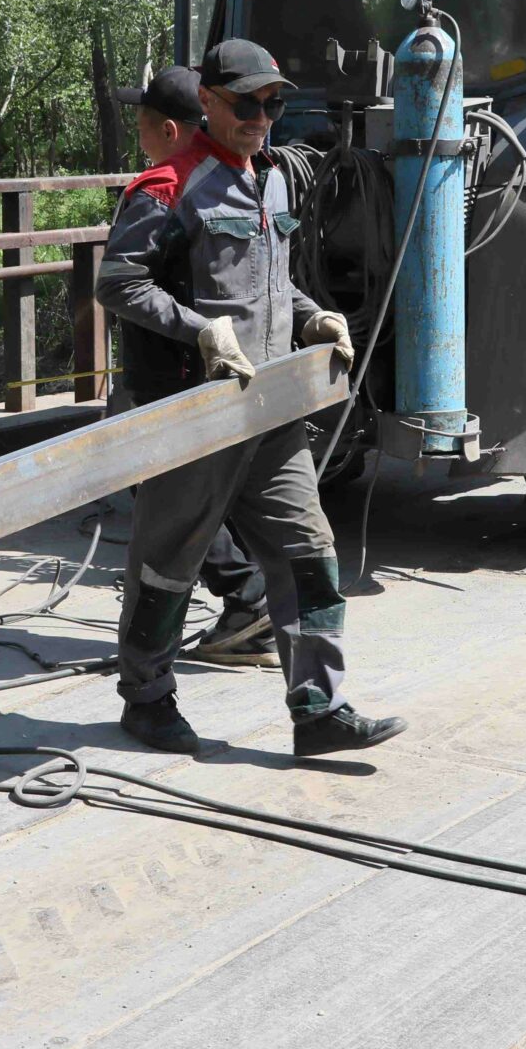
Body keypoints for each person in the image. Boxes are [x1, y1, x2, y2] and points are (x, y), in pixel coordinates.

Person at [96, 38, 409, 758]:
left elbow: (270, 279)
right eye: (247, 104)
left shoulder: (269, 179)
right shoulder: (167, 189)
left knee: (309, 550)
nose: (262, 117)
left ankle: (318, 709)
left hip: (269, 409)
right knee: (167, 562)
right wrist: (200, 330)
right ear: (207, 101)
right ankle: (146, 700)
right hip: (196, 414)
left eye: (273, 104)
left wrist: (309, 315)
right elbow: (119, 282)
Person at [114, 66, 276, 667]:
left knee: (171, 510)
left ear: (172, 129)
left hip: (170, 382)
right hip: (211, 376)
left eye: (145, 125)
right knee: (192, 499)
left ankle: (241, 604)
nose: (140, 135)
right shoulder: (237, 185)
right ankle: (248, 608)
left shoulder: (167, 187)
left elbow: (122, 284)